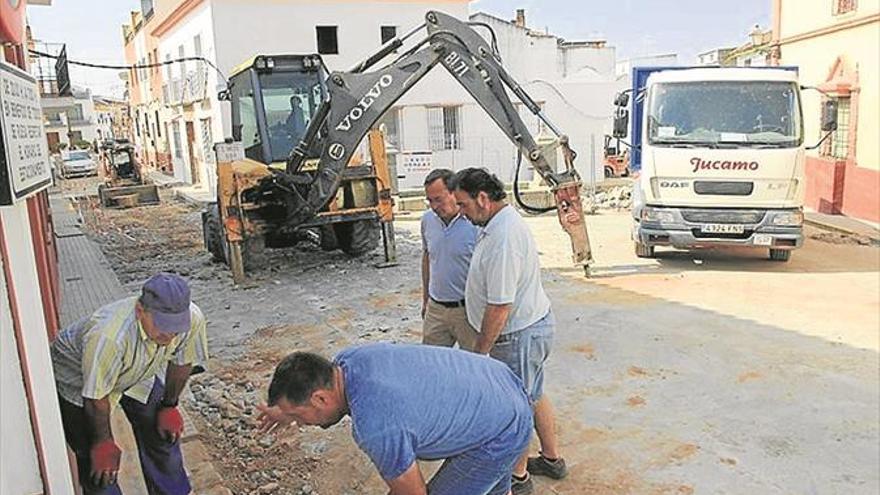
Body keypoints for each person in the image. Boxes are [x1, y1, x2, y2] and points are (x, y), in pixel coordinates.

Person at [258, 343, 533, 495]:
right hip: (499, 384)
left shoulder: (376, 428)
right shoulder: (346, 362)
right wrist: (285, 411)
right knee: (488, 484)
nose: (302, 425)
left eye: (298, 416)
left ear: (319, 398)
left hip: (502, 428)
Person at [449, 168, 568, 495]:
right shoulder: (496, 224)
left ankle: (518, 478)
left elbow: (500, 306)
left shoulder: (503, 237)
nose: (460, 212)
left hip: (517, 336)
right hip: (528, 330)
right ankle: (552, 459)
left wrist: (481, 352)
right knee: (532, 394)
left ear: (483, 199)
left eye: (462, 204)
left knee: (515, 408)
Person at [51, 273, 209, 494]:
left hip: (136, 369)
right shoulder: (108, 336)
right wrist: (102, 442)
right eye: (163, 325)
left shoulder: (192, 318)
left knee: (163, 434)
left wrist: (169, 405)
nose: (170, 335)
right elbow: (95, 397)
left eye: (176, 327)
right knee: (99, 466)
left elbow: (182, 363)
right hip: (78, 381)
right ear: (140, 311)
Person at [420, 168, 480, 351]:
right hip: (436, 310)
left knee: (472, 366)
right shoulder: (427, 221)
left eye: (439, 199)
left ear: (454, 193)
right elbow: (427, 257)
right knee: (431, 364)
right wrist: (426, 300)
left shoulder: (474, 224)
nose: (434, 206)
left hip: (468, 312)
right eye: (430, 201)